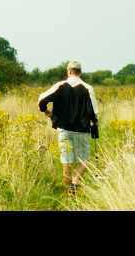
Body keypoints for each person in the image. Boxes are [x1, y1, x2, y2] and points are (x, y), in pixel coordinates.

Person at [37, 61, 99, 195]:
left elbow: (41, 99)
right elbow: (93, 112)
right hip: (82, 130)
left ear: (69, 71)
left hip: (64, 129)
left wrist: (47, 113)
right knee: (84, 160)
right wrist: (94, 124)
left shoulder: (60, 86)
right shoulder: (88, 88)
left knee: (66, 159)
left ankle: (67, 196)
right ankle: (75, 182)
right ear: (80, 72)